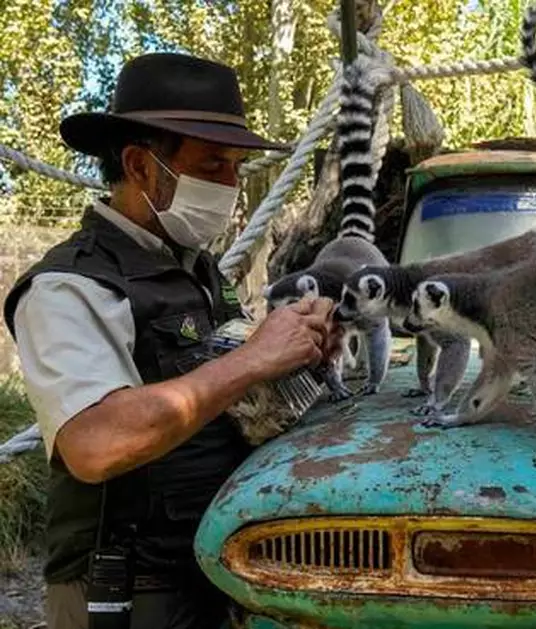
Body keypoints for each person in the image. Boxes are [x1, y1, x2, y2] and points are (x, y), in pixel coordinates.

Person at [2, 52, 342, 629]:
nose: (231, 185)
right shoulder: (70, 287)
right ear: (139, 165)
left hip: (213, 565)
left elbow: (224, 401)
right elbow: (95, 443)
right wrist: (255, 358)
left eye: (236, 166)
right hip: (125, 593)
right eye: (212, 166)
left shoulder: (198, 271)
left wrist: (296, 360)